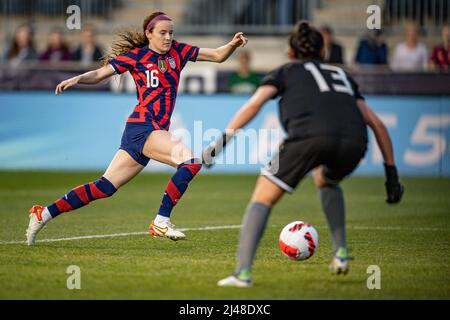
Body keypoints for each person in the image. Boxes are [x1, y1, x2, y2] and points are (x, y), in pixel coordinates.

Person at [203, 21, 404, 287]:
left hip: (308, 138)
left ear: (290, 51)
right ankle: (341, 252)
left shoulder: (285, 72)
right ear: (323, 52)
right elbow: (377, 124)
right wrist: (391, 176)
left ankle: (242, 274)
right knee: (325, 178)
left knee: (262, 197)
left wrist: (219, 145)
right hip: (354, 143)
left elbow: (254, 105)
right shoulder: (342, 76)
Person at [26, 11, 248, 245]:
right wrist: (78, 78)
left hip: (145, 131)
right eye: (162, 33)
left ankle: (44, 213)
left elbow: (216, 55)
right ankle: (161, 220)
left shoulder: (179, 52)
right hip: (143, 126)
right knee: (191, 161)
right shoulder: (137, 57)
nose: (168, 38)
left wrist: (233, 44)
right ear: (148, 34)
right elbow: (100, 74)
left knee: (105, 187)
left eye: (171, 33)